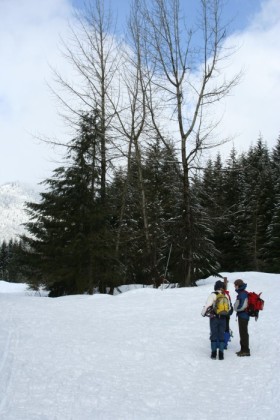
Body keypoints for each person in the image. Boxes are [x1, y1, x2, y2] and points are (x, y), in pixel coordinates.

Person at [201, 280, 230, 360]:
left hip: (214, 317)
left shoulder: (213, 295)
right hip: (223, 318)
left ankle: (213, 354)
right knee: (221, 334)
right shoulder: (225, 296)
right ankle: (221, 354)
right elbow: (229, 308)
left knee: (214, 334)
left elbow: (208, 305)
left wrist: (203, 313)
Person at [234, 279, 250, 357]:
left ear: (238, 285)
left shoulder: (243, 294)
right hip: (243, 315)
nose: (234, 287)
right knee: (242, 332)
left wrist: (236, 309)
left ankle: (246, 350)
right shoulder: (242, 293)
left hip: (243, 315)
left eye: (235, 285)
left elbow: (243, 306)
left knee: (243, 332)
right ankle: (243, 349)